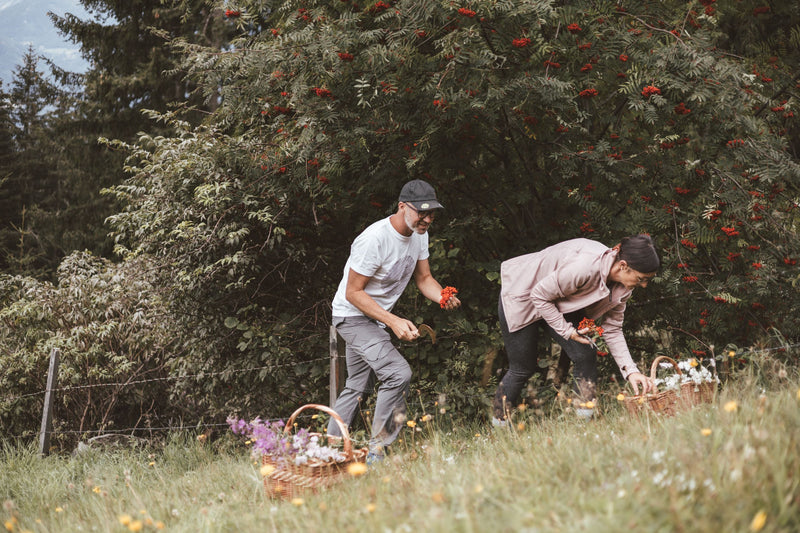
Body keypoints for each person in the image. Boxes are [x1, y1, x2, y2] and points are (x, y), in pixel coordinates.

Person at [328, 179, 461, 462]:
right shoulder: (374, 239)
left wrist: (441, 296)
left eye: (432, 213)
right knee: (398, 373)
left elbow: (424, 279)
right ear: (402, 207)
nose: (427, 219)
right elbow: (353, 293)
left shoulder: (419, 233)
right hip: (352, 316)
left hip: (374, 318)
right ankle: (377, 451)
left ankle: (330, 450)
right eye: (421, 212)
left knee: (357, 386)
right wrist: (393, 321)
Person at [493, 234, 659, 424]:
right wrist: (567, 331)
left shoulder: (624, 287)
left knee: (585, 354)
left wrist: (631, 371)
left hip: (559, 300)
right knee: (521, 368)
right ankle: (499, 426)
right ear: (623, 265)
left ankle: (584, 425)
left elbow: (612, 329)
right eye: (641, 279)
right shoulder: (584, 267)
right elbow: (538, 295)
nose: (644, 285)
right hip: (523, 295)